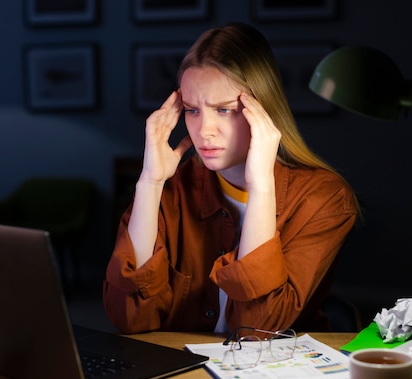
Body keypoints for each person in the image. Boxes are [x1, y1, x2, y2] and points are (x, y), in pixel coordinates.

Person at [104, 22, 358, 335]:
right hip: (180, 373)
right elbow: (128, 318)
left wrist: (262, 186)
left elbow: (258, 328)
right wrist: (150, 183)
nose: (204, 130)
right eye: (192, 110)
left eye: (224, 110)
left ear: (263, 111)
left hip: (276, 376)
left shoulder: (324, 199)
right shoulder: (172, 187)